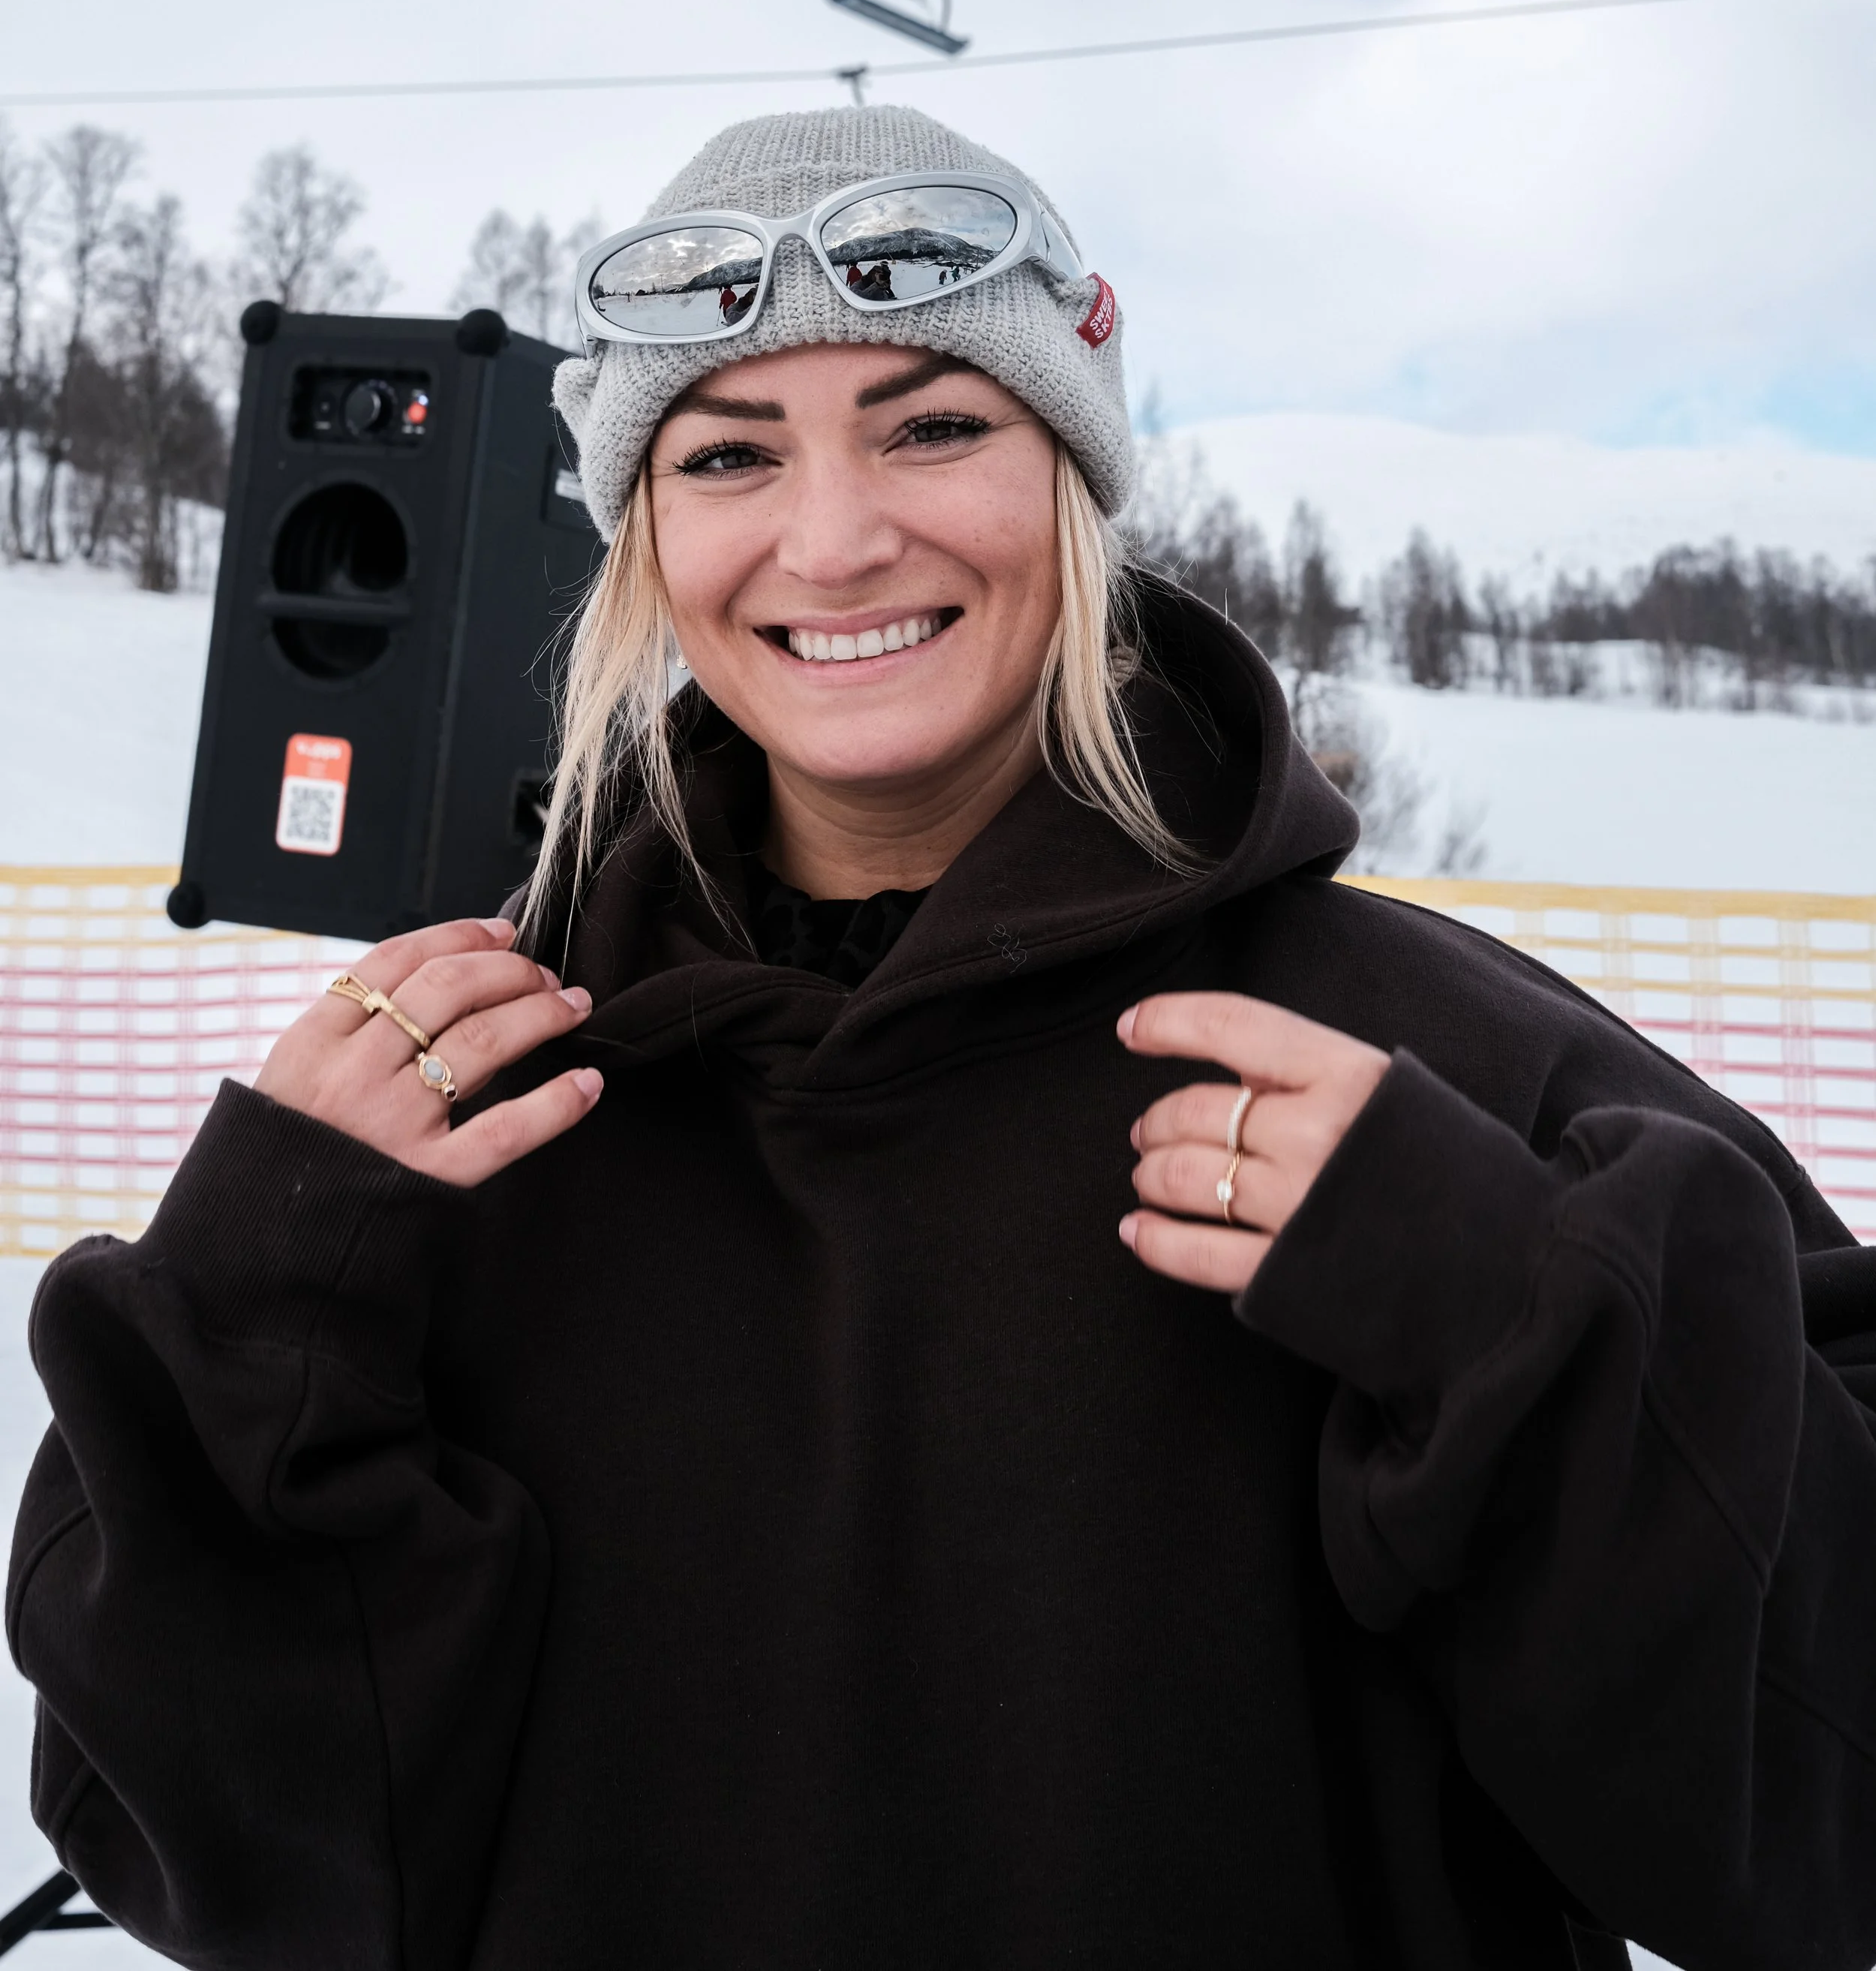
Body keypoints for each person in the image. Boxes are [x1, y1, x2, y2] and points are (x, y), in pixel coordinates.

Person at [10, 103, 1876, 1971]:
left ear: (1072, 472)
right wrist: (255, 1312)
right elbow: (226, 1859)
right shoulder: (469, 1109)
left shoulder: (1432, 1066)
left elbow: (1827, 1815)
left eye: (931, 428)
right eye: (728, 454)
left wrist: (1512, 1325)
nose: (833, 542)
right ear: (644, 534)